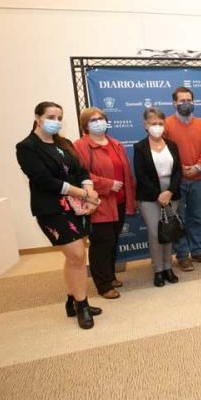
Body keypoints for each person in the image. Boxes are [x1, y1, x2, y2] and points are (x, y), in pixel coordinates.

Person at [16, 101, 102, 329]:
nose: (56, 122)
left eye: (59, 117)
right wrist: (83, 193)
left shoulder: (63, 144)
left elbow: (82, 170)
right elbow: (45, 180)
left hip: (77, 208)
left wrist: (90, 191)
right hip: (52, 209)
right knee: (76, 256)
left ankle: (72, 300)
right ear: (37, 118)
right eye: (51, 117)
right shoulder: (26, 147)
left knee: (76, 257)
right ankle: (82, 306)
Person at [73, 107, 137, 300]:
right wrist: (107, 184)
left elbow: (126, 172)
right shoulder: (80, 146)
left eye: (101, 118)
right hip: (98, 201)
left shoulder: (115, 144)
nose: (99, 122)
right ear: (85, 124)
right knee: (101, 243)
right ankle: (103, 284)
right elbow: (80, 175)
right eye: (93, 120)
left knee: (113, 241)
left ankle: (110, 275)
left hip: (119, 201)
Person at [164, 87, 201, 272]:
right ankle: (183, 255)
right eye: (181, 100)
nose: (186, 103)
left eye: (189, 100)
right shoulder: (166, 125)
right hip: (176, 180)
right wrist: (181, 169)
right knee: (178, 219)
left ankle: (197, 251)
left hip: (198, 178)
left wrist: (197, 167)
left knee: (196, 217)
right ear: (174, 103)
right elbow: (163, 151)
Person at [133, 107, 182, 287]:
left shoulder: (172, 145)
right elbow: (141, 175)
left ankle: (168, 267)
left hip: (171, 194)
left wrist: (169, 191)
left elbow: (177, 171)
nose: (157, 127)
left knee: (168, 232)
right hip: (149, 196)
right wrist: (158, 194)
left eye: (161, 123)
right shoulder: (139, 147)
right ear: (146, 125)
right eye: (153, 124)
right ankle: (158, 270)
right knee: (155, 234)